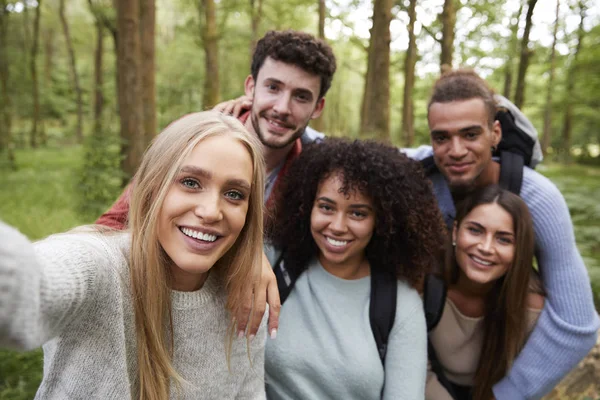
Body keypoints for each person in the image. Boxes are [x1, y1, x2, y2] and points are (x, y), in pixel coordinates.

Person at [0, 112, 267, 399]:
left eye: (234, 194)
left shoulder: (244, 300)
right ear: (152, 189)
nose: (211, 211)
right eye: (190, 182)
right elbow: (32, 285)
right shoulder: (102, 266)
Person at [96, 30, 336, 340]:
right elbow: (114, 223)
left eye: (301, 96)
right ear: (251, 87)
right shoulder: (195, 138)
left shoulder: (310, 173)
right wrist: (250, 253)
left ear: (318, 108)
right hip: (152, 313)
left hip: (230, 336)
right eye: (273, 87)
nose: (282, 107)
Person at [405, 69, 600, 399]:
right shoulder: (420, 171)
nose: (455, 150)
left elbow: (576, 322)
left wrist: (506, 395)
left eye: (470, 134)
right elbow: (337, 150)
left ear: (494, 133)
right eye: (442, 137)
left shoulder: (539, 198)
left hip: (504, 347)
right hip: (434, 341)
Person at [264, 138, 447, 399]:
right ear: (306, 206)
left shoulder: (399, 305)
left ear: (382, 220)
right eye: (326, 207)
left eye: (358, 213)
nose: (337, 226)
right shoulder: (274, 263)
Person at [426, 185, 545, 400]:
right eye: (475, 230)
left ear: (519, 250)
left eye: (503, 239)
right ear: (455, 232)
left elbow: (524, 380)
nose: (486, 247)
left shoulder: (531, 304)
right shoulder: (425, 281)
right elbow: (415, 370)